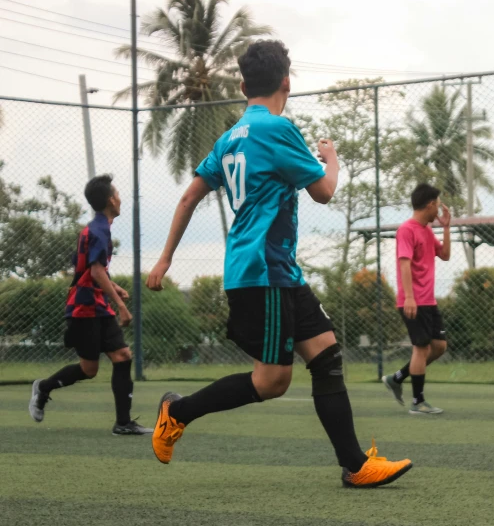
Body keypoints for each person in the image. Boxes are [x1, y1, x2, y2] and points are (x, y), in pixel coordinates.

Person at [145, 40, 412, 488]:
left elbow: (190, 195)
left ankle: (355, 466)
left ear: (244, 85)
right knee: (271, 382)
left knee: (326, 355)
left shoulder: (228, 138)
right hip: (262, 273)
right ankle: (178, 411)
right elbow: (324, 191)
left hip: (278, 272)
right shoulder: (278, 129)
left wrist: (166, 256)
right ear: (287, 82)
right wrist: (332, 160)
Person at [28, 175, 151, 435]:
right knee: (89, 369)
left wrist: (113, 288)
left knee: (122, 356)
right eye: (117, 194)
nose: (120, 198)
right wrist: (121, 305)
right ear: (110, 200)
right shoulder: (98, 231)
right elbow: (95, 273)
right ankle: (44, 388)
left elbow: (87, 269)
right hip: (84, 308)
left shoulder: (95, 228)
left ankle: (123, 423)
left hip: (97, 305)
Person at [382, 183, 450, 415]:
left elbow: (445, 255)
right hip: (413, 301)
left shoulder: (427, 231)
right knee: (420, 349)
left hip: (428, 301)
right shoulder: (407, 230)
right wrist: (409, 297)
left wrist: (447, 228)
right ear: (430, 205)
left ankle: (397, 378)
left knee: (439, 346)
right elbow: (404, 263)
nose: (438, 211)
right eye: (438, 206)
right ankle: (418, 402)